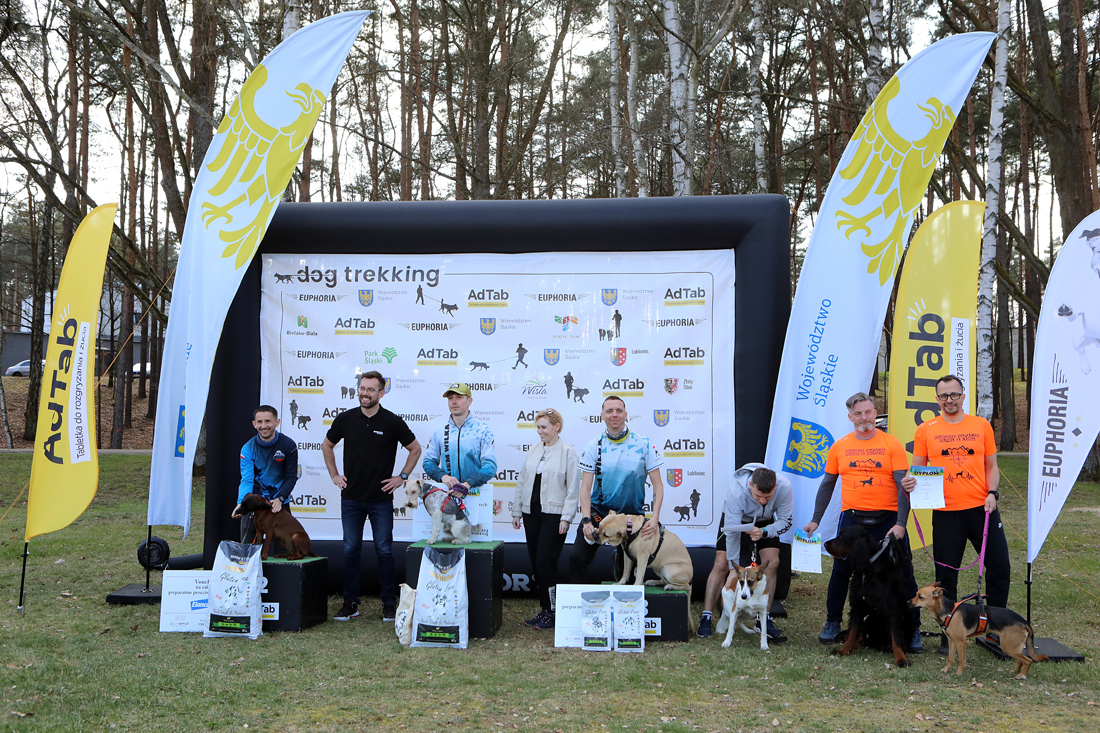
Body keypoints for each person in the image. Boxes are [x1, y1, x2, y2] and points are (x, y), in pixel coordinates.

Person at [804, 392, 922, 651]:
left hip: (888, 519)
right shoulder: (840, 446)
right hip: (853, 519)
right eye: (858, 413)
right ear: (850, 417)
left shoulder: (891, 444)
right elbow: (827, 484)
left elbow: (903, 486)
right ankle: (833, 622)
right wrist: (815, 520)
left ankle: (913, 629)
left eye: (868, 412)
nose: (864, 417)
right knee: (841, 573)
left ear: (875, 413)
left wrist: (901, 523)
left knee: (903, 573)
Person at [903, 375, 1010, 651]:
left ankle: (995, 630)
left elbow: (991, 466)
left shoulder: (981, 425)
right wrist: (910, 482)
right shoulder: (925, 430)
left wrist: (992, 493)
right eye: (943, 396)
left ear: (963, 396)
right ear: (937, 399)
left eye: (954, 395)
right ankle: (949, 634)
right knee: (946, 576)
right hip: (946, 514)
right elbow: (917, 471)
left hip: (982, 509)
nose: (949, 400)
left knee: (1000, 567)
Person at [323, 371, 422, 623]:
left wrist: (402, 477)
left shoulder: (392, 422)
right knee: (350, 550)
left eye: (370, 389)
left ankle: (389, 604)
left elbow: (415, 449)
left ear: (381, 393)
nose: (365, 393)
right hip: (351, 498)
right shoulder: (346, 419)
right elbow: (327, 445)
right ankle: (350, 604)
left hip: (380, 500)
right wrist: (334, 475)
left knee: (384, 551)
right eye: (362, 388)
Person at [570, 395, 664, 583]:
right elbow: (585, 487)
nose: (614, 415)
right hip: (600, 514)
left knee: (625, 573)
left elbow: (658, 485)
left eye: (619, 411)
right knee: (577, 557)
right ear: (602, 416)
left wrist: (654, 518)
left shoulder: (644, 443)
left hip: (631, 518)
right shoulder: (594, 445)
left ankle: (620, 567)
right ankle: (580, 600)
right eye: (609, 411)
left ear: (626, 415)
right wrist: (586, 520)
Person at [697, 465, 792, 641]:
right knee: (722, 563)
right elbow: (732, 534)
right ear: (750, 485)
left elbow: (786, 520)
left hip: (765, 522)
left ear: (775, 487)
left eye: (768, 497)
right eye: (758, 496)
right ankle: (707, 615)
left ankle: (763, 618)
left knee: (772, 562)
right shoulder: (737, 493)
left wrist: (764, 532)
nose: (762, 501)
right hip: (737, 520)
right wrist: (733, 569)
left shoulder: (785, 487)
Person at [511, 408, 580, 630]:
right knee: (535, 562)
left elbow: (573, 489)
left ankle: (553, 610)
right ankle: (544, 609)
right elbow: (522, 481)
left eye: (544, 427)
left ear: (557, 427)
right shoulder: (533, 450)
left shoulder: (568, 453)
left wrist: (566, 517)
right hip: (531, 513)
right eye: (538, 427)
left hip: (554, 515)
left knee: (545, 561)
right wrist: (517, 511)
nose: (540, 431)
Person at [232, 405, 299, 544]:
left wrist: (280, 498)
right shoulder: (247, 449)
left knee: (285, 550)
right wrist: (240, 503)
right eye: (260, 422)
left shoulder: (289, 445)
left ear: (277, 422)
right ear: (254, 424)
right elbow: (247, 480)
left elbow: (291, 477)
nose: (264, 426)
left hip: (279, 502)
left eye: (268, 421)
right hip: (254, 503)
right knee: (248, 549)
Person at [423, 382, 497, 504]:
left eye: (459, 397)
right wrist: (443, 477)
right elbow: (428, 462)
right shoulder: (440, 431)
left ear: (469, 401)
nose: (454, 401)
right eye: (450, 398)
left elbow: (490, 466)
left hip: (476, 494)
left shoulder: (483, 430)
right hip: (447, 495)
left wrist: (468, 484)